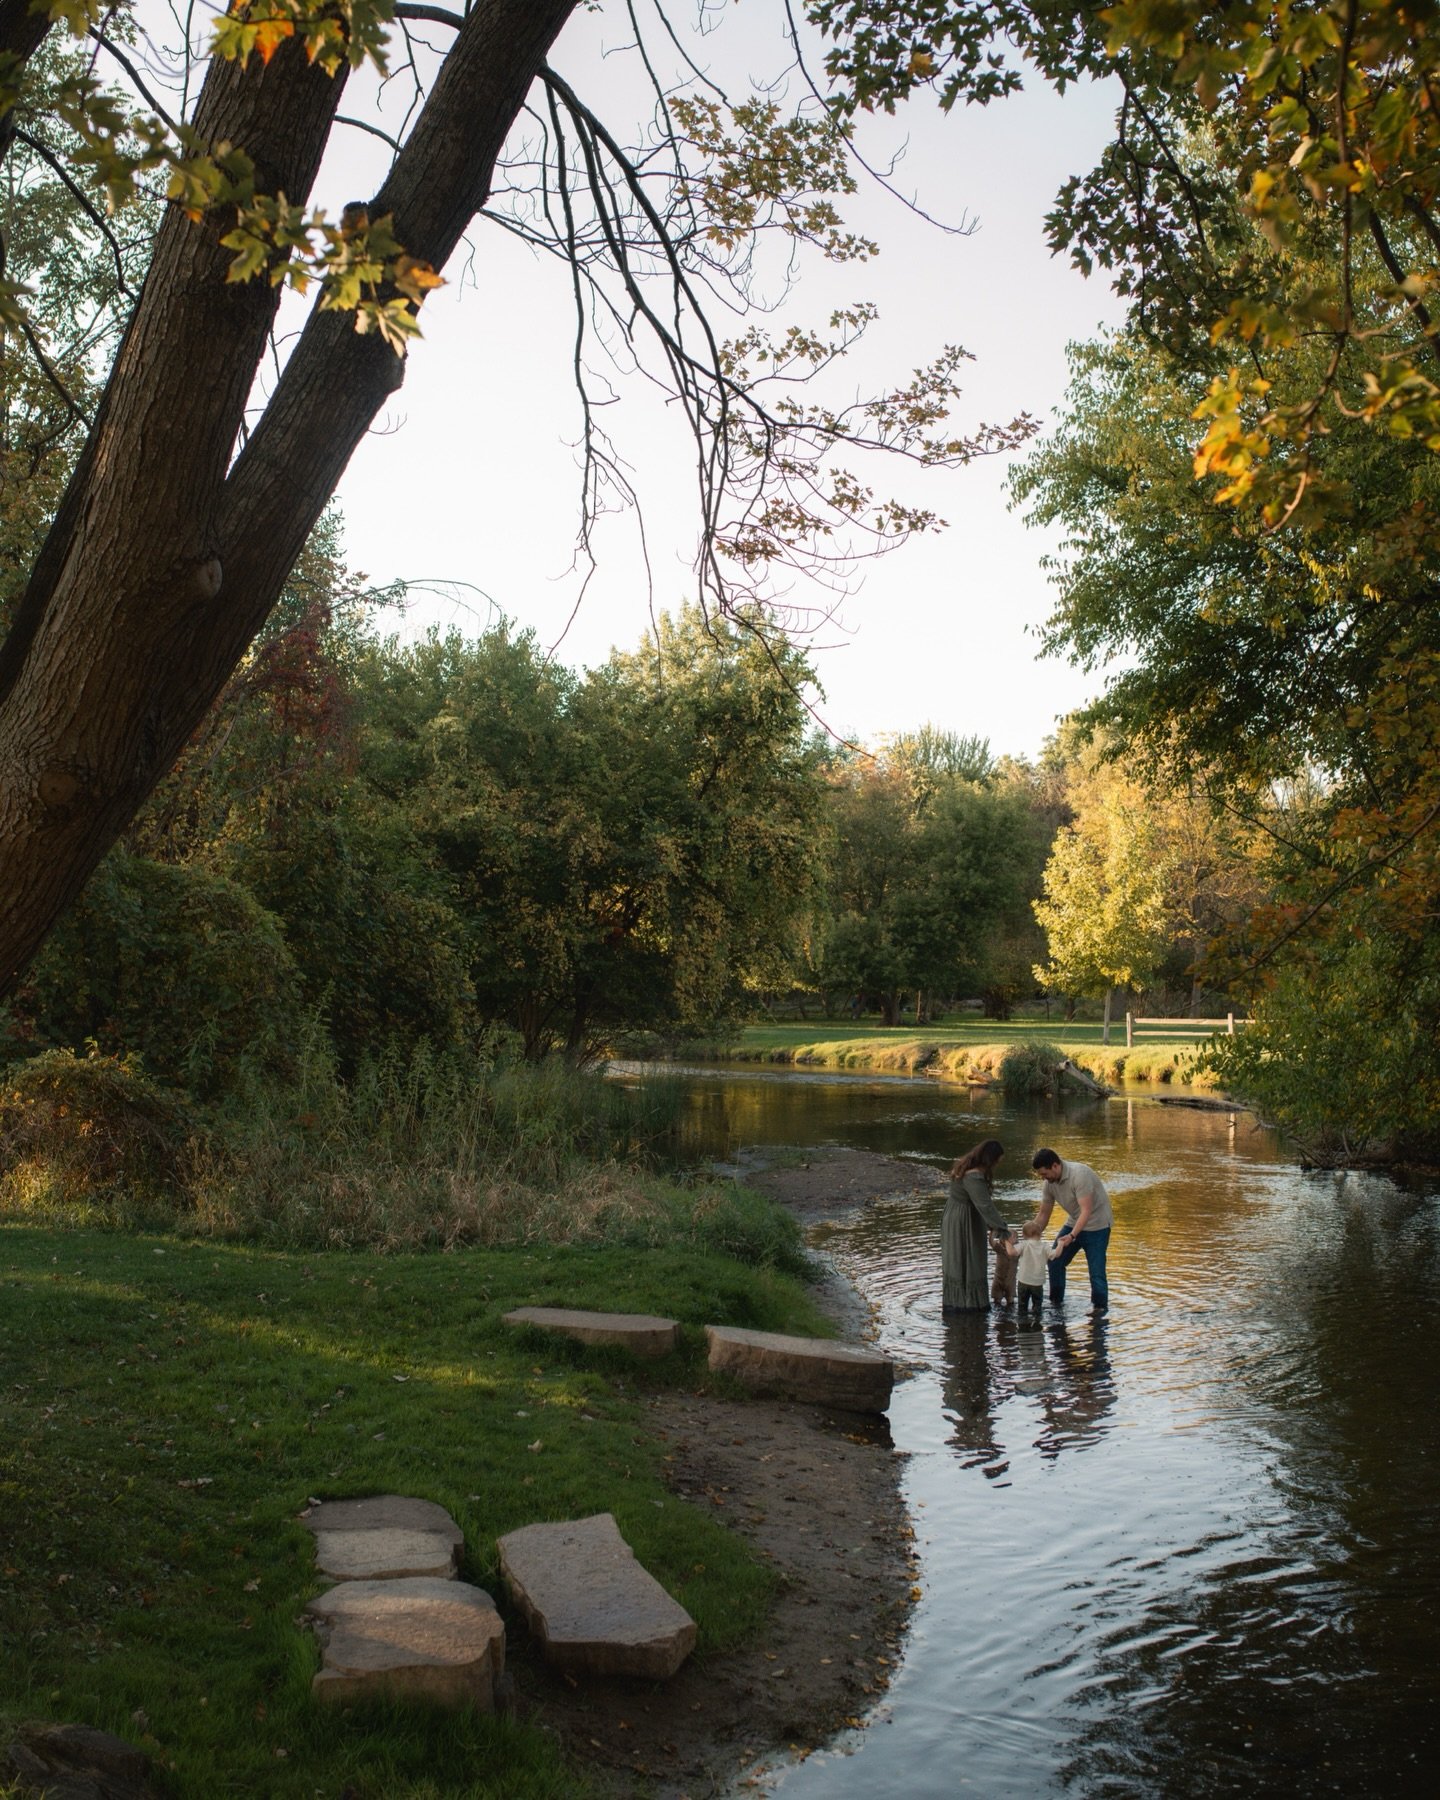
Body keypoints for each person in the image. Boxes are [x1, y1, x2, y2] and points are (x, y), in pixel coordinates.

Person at [1030, 1147, 1113, 1313]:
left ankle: (1099, 1312)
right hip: (1075, 1221)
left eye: (1044, 1174)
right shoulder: (1049, 1184)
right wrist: (1030, 1238)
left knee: (1096, 1272)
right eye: (1041, 1176)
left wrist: (1072, 1236)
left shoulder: (1079, 1175)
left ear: (1055, 1166)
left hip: (1098, 1226)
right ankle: (1056, 1306)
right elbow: (1043, 1214)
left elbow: (1086, 1211)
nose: (1043, 1178)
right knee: (1055, 1260)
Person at [942, 1138, 1011, 1312]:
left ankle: (960, 1303)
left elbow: (982, 1205)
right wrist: (1002, 1229)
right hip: (963, 1220)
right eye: (996, 1161)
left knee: (962, 1259)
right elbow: (985, 1206)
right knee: (968, 1258)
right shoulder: (973, 1176)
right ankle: (968, 1306)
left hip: (959, 1214)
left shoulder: (965, 1166)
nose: (996, 1165)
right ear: (990, 1159)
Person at [1012, 1218, 1053, 1318]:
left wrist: (1007, 1242)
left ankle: (1022, 1323)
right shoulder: (1045, 1246)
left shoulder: (1023, 1244)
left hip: (1023, 1280)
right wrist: (1061, 1244)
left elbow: (1012, 1252)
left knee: (1022, 1305)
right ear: (1040, 1233)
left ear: (1024, 1235)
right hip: (1037, 1283)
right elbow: (1054, 1255)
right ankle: (1037, 1323)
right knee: (1037, 1305)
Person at [989, 1228, 1018, 1307]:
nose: (1011, 1239)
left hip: (1010, 1281)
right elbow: (991, 1242)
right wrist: (992, 1232)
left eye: (1014, 1237)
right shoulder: (999, 1248)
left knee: (1010, 1300)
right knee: (996, 1301)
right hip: (998, 1280)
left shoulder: (1016, 1251)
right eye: (1009, 1237)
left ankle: (1010, 1309)